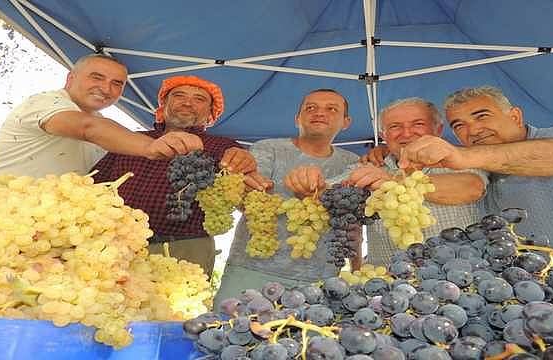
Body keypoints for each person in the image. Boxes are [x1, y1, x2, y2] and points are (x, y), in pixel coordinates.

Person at [396, 86, 553, 262]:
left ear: (515, 116)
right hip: (527, 291)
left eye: (482, 116)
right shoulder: (478, 167)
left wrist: (463, 155)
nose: (473, 130)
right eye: (459, 125)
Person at [91, 75, 257, 278]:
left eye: (199, 99)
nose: (187, 102)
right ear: (164, 105)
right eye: (179, 95)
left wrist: (244, 162)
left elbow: (245, 194)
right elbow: (93, 185)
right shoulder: (132, 140)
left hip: (184, 250)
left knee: (176, 308)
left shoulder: (224, 147)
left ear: (210, 115)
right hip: (116, 245)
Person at [213, 89, 359, 309]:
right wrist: (247, 187)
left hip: (320, 279)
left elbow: (353, 224)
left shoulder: (353, 164)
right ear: (297, 118)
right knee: (229, 334)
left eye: (331, 109)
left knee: (305, 342)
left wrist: (358, 269)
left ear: (346, 122)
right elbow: (246, 201)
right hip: (252, 271)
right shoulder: (267, 149)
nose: (319, 113)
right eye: (311, 108)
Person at [0, 54, 202, 177]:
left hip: (39, 233)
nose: (106, 89)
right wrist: (150, 146)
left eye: (117, 83)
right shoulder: (46, 102)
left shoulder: (105, 136)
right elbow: (87, 128)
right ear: (71, 78)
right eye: (96, 77)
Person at [348, 98, 487, 266]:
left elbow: (471, 187)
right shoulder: (370, 165)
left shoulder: (461, 158)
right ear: (383, 135)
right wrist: (312, 181)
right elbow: (330, 192)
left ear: (438, 130)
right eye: (395, 126)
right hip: (387, 282)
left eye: (418, 124)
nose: (406, 133)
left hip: (456, 280)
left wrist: (394, 182)